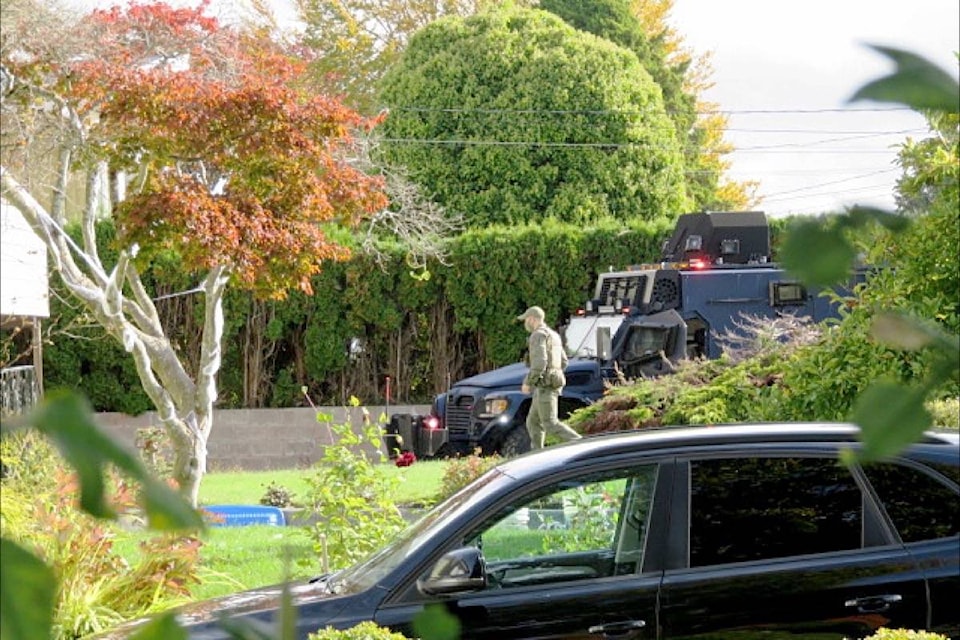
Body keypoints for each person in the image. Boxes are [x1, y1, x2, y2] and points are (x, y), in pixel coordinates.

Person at [517, 306, 582, 450]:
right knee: (533, 422)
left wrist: (528, 382)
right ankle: (537, 453)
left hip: (546, 386)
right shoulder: (553, 335)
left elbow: (539, 363)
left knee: (550, 423)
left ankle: (581, 444)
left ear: (532, 319)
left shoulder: (537, 335)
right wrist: (554, 373)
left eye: (526, 319)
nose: (525, 323)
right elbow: (564, 361)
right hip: (547, 384)